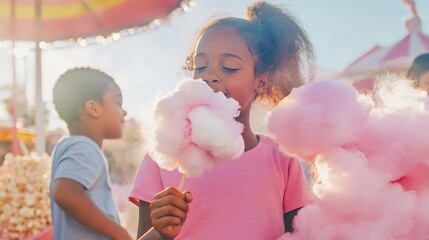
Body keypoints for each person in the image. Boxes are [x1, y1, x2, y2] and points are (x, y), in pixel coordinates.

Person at [130, 2, 314, 239]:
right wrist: (160, 233)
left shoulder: (281, 158)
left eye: (228, 67)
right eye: (200, 67)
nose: (209, 77)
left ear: (261, 81)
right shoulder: (162, 157)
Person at [50, 68, 131, 240]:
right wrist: (120, 234)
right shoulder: (85, 147)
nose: (124, 112)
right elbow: (65, 194)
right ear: (93, 109)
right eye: (118, 103)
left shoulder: (66, 145)